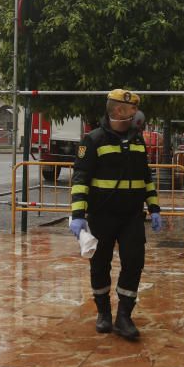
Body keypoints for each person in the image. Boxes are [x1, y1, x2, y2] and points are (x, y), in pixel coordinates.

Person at [70, 89, 162, 340]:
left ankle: (124, 316)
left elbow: (146, 178)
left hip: (132, 217)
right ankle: (103, 313)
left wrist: (154, 208)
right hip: (102, 216)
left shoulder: (137, 141)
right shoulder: (93, 140)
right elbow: (80, 179)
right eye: (132, 108)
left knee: (134, 264)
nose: (136, 113)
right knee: (100, 265)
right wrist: (78, 213)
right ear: (119, 110)